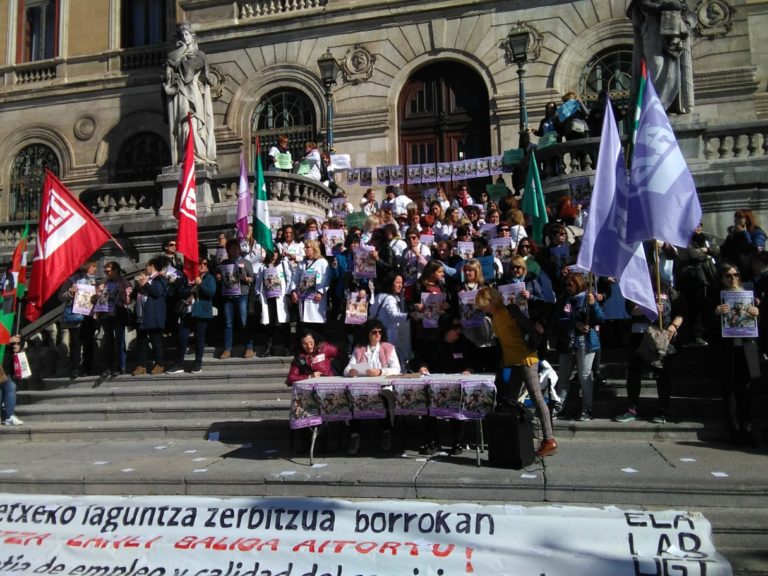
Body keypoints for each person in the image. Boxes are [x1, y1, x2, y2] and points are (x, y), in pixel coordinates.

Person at [474, 286, 557, 458]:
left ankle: (549, 439)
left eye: (483, 305)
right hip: (512, 362)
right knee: (509, 401)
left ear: (491, 301)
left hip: (526, 359)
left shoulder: (510, 311)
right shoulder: (494, 317)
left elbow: (528, 329)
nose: (482, 308)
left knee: (536, 397)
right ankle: (513, 437)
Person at [615, 277, 686, 424]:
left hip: (662, 335)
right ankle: (632, 409)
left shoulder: (668, 290)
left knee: (663, 374)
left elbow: (680, 312)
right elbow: (631, 310)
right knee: (634, 372)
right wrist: (650, 308)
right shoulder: (636, 290)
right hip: (639, 335)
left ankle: (662, 410)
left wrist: (674, 326)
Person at [713, 263, 760, 445]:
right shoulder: (717, 296)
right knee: (730, 389)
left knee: (747, 388)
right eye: (728, 275)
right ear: (722, 278)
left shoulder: (749, 293)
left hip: (748, 346)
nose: (733, 278)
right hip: (728, 347)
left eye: (736, 274)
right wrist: (716, 313)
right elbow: (707, 321)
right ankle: (733, 430)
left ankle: (747, 428)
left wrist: (757, 312)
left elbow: (757, 321)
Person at [551, 274, 604, 421]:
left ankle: (587, 409)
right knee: (563, 376)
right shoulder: (563, 300)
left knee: (584, 375)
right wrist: (574, 323)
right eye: (566, 285)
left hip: (585, 341)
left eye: (571, 285)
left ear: (578, 284)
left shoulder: (588, 298)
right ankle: (558, 406)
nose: (568, 288)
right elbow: (557, 320)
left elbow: (600, 318)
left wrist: (593, 305)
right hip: (567, 342)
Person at [627, 0, 694, 114]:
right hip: (652, 28)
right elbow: (644, 4)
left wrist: (682, 11)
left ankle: (671, 105)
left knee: (673, 68)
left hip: (672, 28)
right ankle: (655, 106)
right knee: (656, 65)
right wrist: (664, 6)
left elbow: (686, 9)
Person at [163, 22, 216, 165]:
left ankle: (198, 155)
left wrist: (178, 62)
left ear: (193, 37)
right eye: (182, 35)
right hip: (181, 94)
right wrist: (182, 51)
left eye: (187, 34)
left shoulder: (200, 55)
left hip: (195, 93)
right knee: (184, 122)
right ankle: (187, 155)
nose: (185, 37)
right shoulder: (176, 54)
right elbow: (170, 61)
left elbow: (192, 67)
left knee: (196, 122)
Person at [167, 258, 216, 374]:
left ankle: (197, 363)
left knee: (199, 337)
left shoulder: (209, 278)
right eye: (200, 264)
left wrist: (200, 284)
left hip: (201, 312)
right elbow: (180, 292)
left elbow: (211, 293)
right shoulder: (188, 278)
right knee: (182, 336)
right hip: (188, 312)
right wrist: (191, 289)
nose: (202, 265)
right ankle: (179, 363)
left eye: (205, 264)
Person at [58, 259, 98, 379]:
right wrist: (71, 292)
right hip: (76, 316)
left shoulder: (94, 281)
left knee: (89, 343)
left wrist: (98, 293)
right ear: (86, 267)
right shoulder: (72, 280)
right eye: (92, 266)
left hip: (90, 316)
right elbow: (61, 296)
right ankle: (75, 368)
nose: (95, 269)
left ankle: (87, 368)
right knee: (76, 342)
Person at [218, 238, 255, 359]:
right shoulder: (224, 263)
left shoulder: (245, 262)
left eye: (235, 248)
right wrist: (218, 276)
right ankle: (227, 349)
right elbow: (220, 276)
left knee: (244, 320)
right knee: (228, 323)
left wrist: (246, 279)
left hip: (242, 294)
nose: (233, 250)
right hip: (228, 295)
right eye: (231, 248)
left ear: (239, 249)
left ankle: (249, 347)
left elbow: (252, 278)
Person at [132, 258, 168, 376]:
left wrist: (146, 284)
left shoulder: (160, 279)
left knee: (156, 340)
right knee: (141, 341)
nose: (145, 269)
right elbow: (134, 295)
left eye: (146, 266)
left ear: (151, 266)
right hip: (141, 314)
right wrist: (138, 285)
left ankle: (160, 364)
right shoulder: (145, 279)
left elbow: (157, 292)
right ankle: (141, 365)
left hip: (153, 314)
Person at [290, 239, 331, 340]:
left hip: (316, 298)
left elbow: (326, 279)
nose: (305, 249)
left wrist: (321, 292)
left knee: (316, 323)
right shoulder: (302, 263)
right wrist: (293, 291)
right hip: (303, 298)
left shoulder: (322, 262)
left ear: (314, 249)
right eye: (305, 247)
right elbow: (295, 279)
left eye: (308, 247)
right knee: (304, 325)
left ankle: (319, 349)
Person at [369, 273, 412, 368]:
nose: (400, 285)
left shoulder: (379, 296)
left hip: (377, 334)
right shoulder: (390, 299)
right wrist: (410, 316)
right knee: (389, 362)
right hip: (388, 336)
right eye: (397, 282)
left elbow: (371, 311)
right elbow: (394, 315)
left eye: (402, 283)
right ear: (390, 283)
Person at [98, 262, 132, 377]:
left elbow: (127, 301)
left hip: (118, 315)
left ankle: (121, 366)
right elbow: (96, 300)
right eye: (105, 271)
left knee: (120, 340)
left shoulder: (124, 282)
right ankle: (109, 367)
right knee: (108, 342)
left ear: (115, 270)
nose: (106, 273)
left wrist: (120, 292)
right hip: (106, 315)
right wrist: (99, 292)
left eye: (108, 271)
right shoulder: (105, 282)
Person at [256, 250, 292, 357]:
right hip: (268, 299)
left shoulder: (283, 264)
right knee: (269, 324)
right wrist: (258, 294)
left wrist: (289, 294)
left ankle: (286, 347)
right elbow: (258, 283)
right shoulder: (263, 267)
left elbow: (289, 279)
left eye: (276, 252)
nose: (274, 254)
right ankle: (269, 348)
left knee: (284, 323)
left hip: (281, 298)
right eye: (272, 252)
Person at [1, 334, 24, 426]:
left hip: (9, 364)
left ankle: (9, 416)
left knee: (7, 389)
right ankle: (9, 416)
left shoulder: (14, 323)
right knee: (8, 387)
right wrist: (8, 340)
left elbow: (22, 337)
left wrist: (19, 345)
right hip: (1, 363)